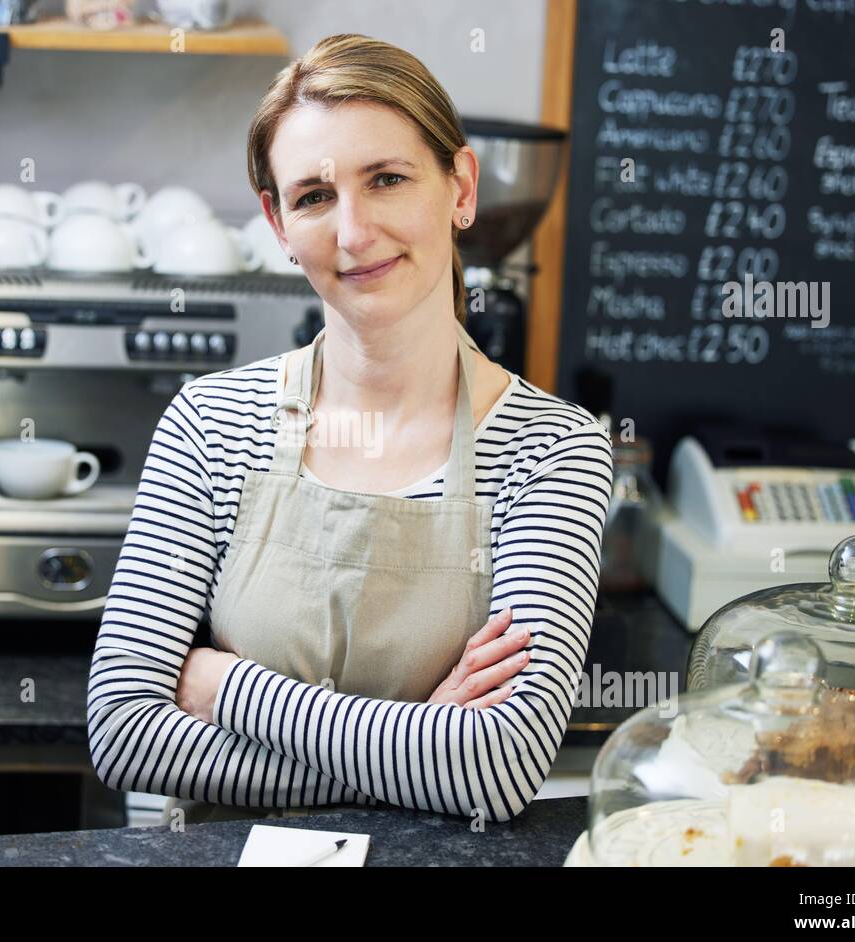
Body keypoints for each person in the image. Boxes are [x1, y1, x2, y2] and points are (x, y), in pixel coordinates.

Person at [88, 33, 614, 825]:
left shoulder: (552, 451)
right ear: (278, 222)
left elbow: (501, 767)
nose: (354, 232)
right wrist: (426, 751)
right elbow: (125, 732)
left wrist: (225, 687)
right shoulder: (210, 424)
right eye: (313, 196)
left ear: (460, 187)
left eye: (388, 179)